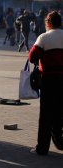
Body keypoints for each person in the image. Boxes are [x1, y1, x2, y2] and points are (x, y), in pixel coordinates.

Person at [29, 11, 63, 155]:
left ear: (48, 23)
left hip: (49, 80)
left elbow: (32, 56)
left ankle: (42, 148)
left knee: (46, 115)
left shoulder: (44, 37)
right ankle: (60, 142)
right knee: (60, 113)